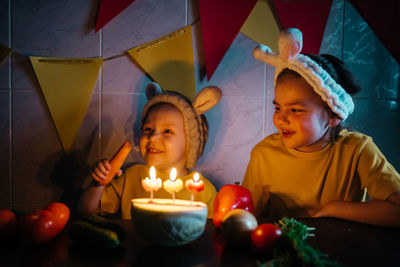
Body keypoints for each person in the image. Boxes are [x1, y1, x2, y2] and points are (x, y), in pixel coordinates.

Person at [243, 28, 400, 227]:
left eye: (295, 109)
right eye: (277, 107)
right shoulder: (263, 154)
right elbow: (246, 221)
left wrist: (335, 209)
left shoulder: (358, 150)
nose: (280, 119)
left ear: (333, 116)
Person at [79, 82, 222, 219]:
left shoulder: (204, 192)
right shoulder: (131, 177)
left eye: (167, 131)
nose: (153, 137)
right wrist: (98, 184)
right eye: (148, 129)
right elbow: (87, 210)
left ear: (190, 144)